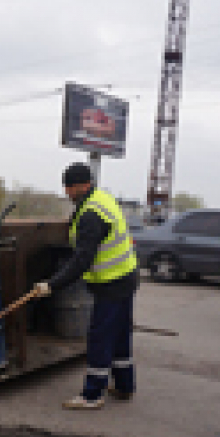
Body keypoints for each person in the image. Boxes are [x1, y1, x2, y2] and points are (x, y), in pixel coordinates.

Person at [35, 162, 139, 409]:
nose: (67, 192)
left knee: (100, 337)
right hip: (126, 276)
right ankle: (124, 386)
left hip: (112, 282)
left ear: (83, 185)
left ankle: (92, 395)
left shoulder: (91, 214)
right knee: (120, 333)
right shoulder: (103, 199)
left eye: (70, 187)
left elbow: (82, 260)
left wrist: (51, 285)